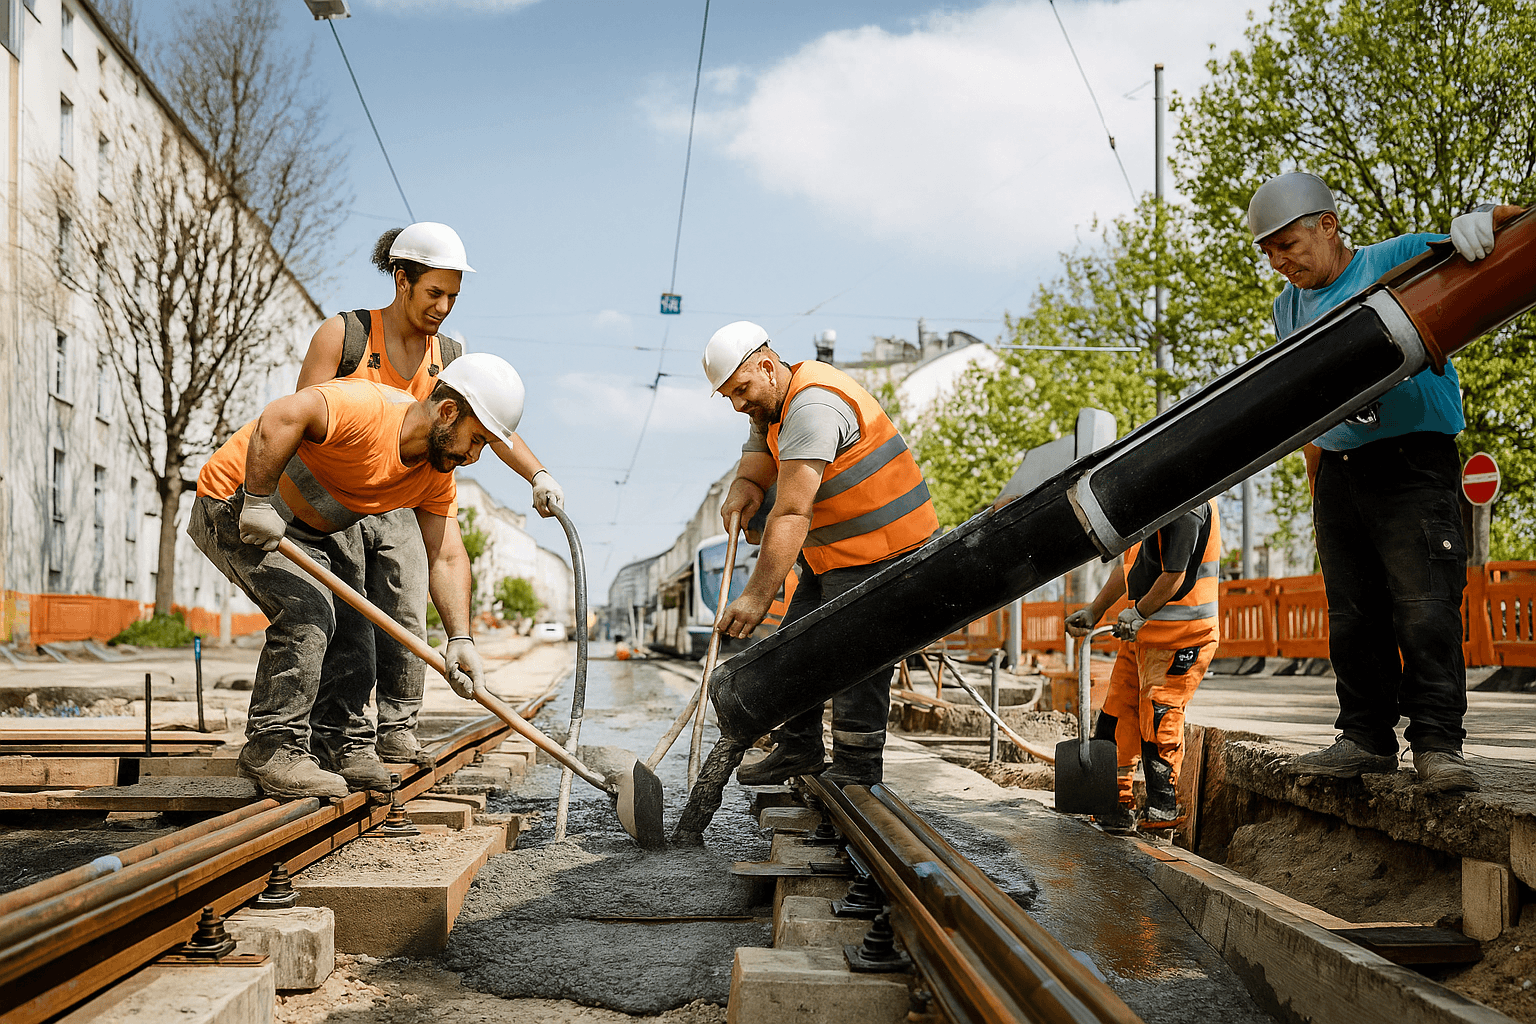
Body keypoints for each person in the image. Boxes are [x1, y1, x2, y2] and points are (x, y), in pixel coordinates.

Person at [1248, 172, 1523, 793]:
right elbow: (1305, 401)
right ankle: (1366, 738)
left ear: (1328, 224)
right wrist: (1318, 479)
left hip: (1413, 464)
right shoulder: (1287, 308)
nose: (1278, 262)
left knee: (1425, 608)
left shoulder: (1397, 260)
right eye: (1268, 252)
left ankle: (1437, 744)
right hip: (1340, 474)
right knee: (1353, 614)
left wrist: (1483, 220)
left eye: (1287, 244)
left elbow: (1511, 232)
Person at [188, 353, 526, 798]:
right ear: (447, 411)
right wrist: (256, 500)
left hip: (308, 532)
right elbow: (282, 415)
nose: (475, 456)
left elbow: (446, 556)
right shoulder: (367, 409)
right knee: (307, 615)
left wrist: (460, 638)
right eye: (477, 439)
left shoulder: (433, 476)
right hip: (235, 505)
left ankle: (334, 744)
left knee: (355, 637)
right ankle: (272, 749)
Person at [293, 223, 566, 769]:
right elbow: (305, 421)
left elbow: (487, 421)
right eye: (434, 293)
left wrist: (537, 474)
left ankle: (398, 727)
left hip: (407, 494)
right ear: (401, 280)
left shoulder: (452, 355)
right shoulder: (344, 336)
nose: (444, 307)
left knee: (406, 605)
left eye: (453, 297)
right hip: (341, 494)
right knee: (351, 620)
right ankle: (341, 734)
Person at [706, 321, 940, 787]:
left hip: (884, 550)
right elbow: (758, 455)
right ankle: (799, 748)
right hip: (835, 553)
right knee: (793, 650)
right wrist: (745, 487)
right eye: (728, 396)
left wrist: (754, 597)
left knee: (855, 655)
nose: (738, 404)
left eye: (742, 389)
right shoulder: (772, 404)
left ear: (768, 367)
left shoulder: (813, 407)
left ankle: (857, 770)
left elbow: (792, 513)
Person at [1065, 501, 1222, 832]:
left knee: (1159, 714)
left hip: (1182, 636)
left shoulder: (1185, 505)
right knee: (1118, 712)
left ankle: (1164, 806)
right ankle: (1113, 802)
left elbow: (1174, 575)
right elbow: (1129, 568)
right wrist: (1095, 611)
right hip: (1143, 637)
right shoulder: (1148, 503)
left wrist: (1139, 612)